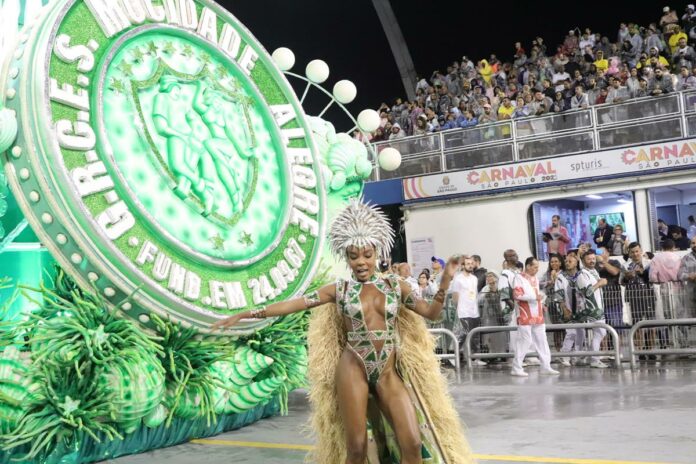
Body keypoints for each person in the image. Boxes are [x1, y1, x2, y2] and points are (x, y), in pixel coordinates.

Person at [212, 200, 473, 463]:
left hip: (387, 372)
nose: (361, 262)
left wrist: (446, 280)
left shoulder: (396, 286)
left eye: (367, 255)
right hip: (353, 368)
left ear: (377, 253)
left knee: (413, 444)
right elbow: (295, 303)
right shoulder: (340, 289)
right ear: (346, 257)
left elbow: (431, 313)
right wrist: (251, 313)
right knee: (357, 448)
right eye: (353, 256)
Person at [510, 257, 560, 377]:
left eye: (538, 267)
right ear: (528, 266)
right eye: (535, 266)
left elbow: (537, 294)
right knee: (525, 340)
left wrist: (541, 303)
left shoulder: (535, 279)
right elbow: (517, 295)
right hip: (524, 313)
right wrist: (534, 297)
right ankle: (516, 367)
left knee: (542, 340)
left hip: (537, 313)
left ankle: (546, 366)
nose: (537, 269)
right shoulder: (519, 278)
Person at [574, 250, 611, 368]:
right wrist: (600, 283)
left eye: (593, 258)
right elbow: (587, 292)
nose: (592, 261)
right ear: (583, 261)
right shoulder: (582, 275)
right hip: (590, 309)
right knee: (600, 332)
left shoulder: (594, 271)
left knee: (600, 332)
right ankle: (594, 359)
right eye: (589, 259)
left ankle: (590, 357)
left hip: (597, 308)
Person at [621, 242, 656, 359]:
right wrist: (627, 277)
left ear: (641, 251)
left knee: (651, 324)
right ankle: (640, 352)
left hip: (649, 296)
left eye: (637, 251)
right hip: (633, 298)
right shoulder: (626, 265)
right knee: (637, 325)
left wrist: (644, 274)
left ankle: (651, 351)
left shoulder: (649, 263)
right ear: (629, 254)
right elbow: (621, 282)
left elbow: (655, 278)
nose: (635, 254)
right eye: (632, 252)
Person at [452, 256, 485, 366]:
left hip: (474, 311)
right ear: (463, 265)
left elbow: (475, 294)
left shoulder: (474, 278)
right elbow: (455, 297)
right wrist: (458, 308)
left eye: (472, 263)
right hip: (463, 311)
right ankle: (453, 357)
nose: (470, 265)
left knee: (474, 336)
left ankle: (475, 358)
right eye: (468, 263)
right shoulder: (458, 279)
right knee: (462, 335)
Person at [478, 272, 507, 359]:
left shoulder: (500, 287)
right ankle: (490, 354)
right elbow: (479, 300)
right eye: (487, 276)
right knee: (489, 335)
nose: (489, 278)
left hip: (498, 315)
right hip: (488, 315)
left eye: (491, 276)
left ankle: (501, 353)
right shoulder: (485, 288)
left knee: (499, 334)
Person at [539, 253, 565, 351]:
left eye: (556, 261)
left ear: (560, 263)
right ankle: (558, 350)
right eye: (552, 262)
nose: (554, 263)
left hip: (563, 302)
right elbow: (539, 284)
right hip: (551, 303)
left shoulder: (564, 273)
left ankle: (566, 350)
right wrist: (548, 283)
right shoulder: (547, 274)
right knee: (556, 327)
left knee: (565, 327)